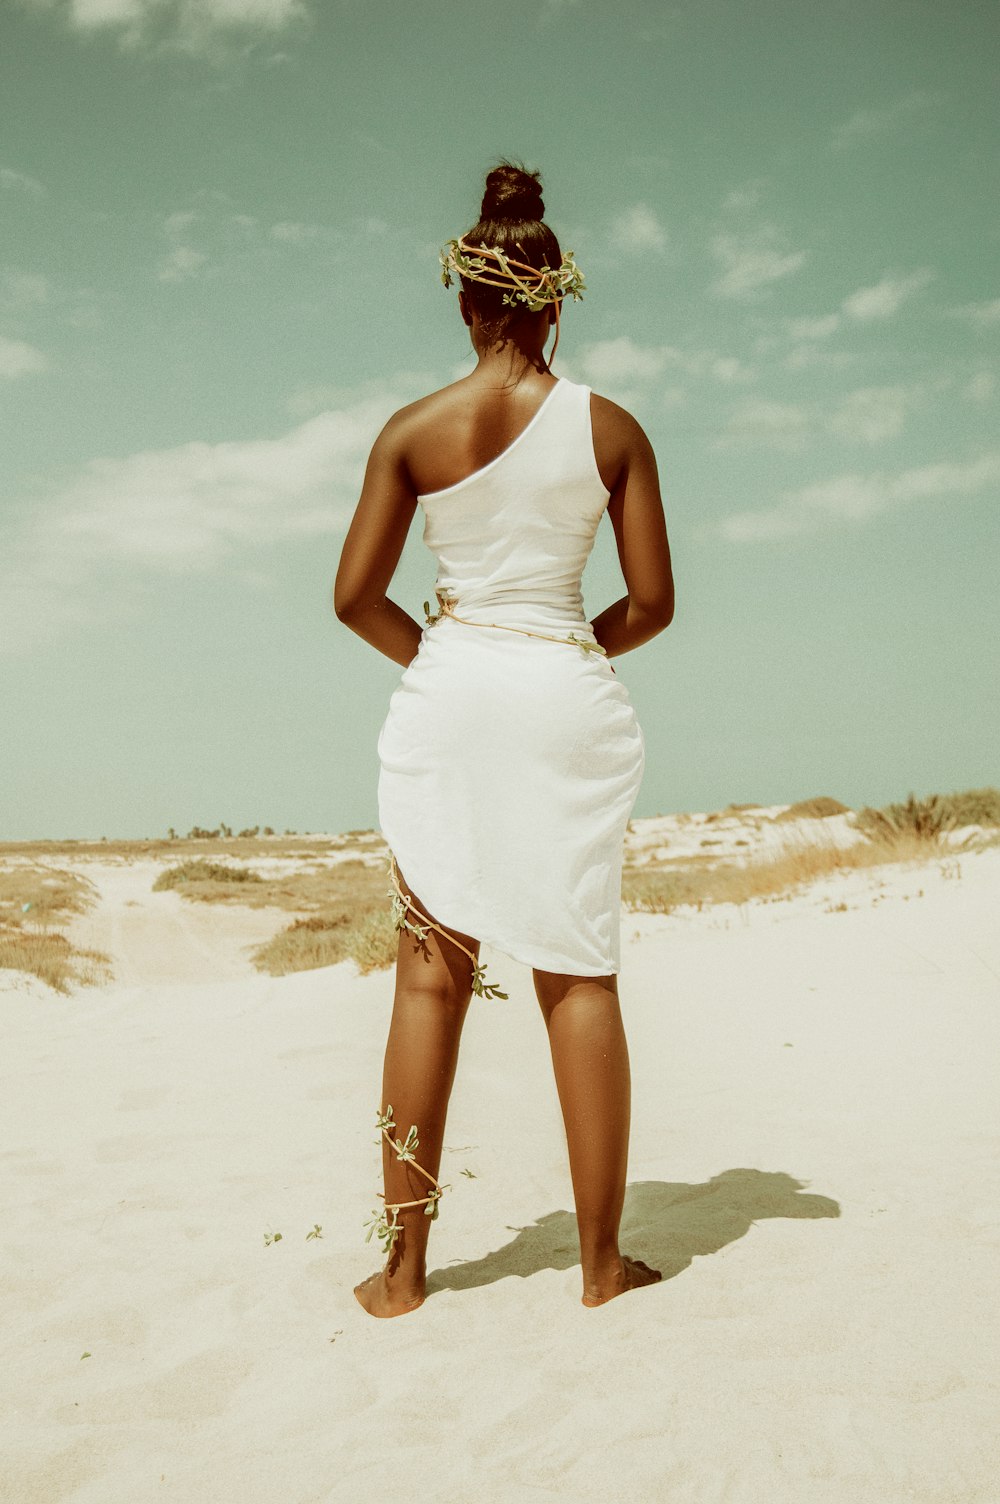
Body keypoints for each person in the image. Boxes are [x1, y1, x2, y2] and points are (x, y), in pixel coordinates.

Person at [334, 161, 674, 1318]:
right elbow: (654, 603)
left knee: (430, 978)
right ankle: (598, 1268)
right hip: (563, 690)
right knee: (577, 971)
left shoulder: (410, 431)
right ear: (556, 300)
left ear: (467, 304)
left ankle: (405, 1269)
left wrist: (442, 652)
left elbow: (353, 597)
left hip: (454, 685)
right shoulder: (612, 429)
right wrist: (566, 643)